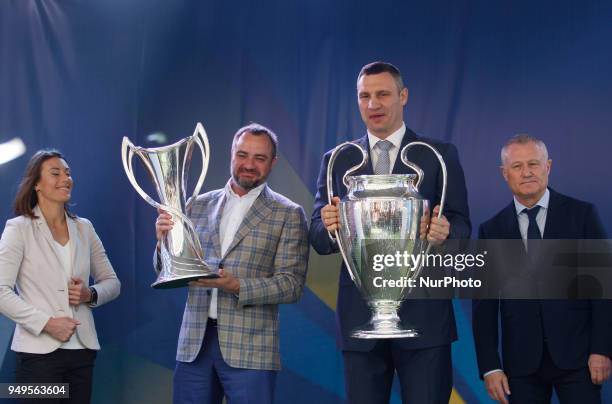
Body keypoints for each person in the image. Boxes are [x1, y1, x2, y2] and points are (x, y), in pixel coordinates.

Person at [309, 61, 471, 404]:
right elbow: (319, 238)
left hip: (425, 318)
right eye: (364, 96)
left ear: (404, 96)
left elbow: (461, 226)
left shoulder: (438, 155)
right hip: (360, 320)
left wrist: (445, 232)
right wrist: (328, 225)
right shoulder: (337, 159)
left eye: (382, 94)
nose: (373, 104)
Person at [155, 123, 309, 404]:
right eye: (242, 155)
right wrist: (163, 242)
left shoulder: (288, 213)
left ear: (273, 162)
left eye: (259, 158)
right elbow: (167, 269)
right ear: (231, 155)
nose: (248, 164)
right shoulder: (194, 205)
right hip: (194, 345)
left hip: (251, 348)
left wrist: (237, 285)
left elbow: (292, 285)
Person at [472, 134, 612, 403]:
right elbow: (484, 306)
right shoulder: (492, 230)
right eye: (517, 166)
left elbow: (603, 289)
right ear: (504, 173)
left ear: (548, 166)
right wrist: (490, 366)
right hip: (521, 367)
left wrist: (602, 349)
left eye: (533, 164)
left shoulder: (581, 216)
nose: (527, 173)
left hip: (580, 359)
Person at [0, 149, 121, 404]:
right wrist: (46, 323)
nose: (66, 178)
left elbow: (113, 283)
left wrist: (90, 294)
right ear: (36, 184)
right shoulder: (18, 229)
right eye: (55, 173)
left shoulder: (84, 228)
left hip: (82, 354)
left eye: (68, 173)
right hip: (37, 359)